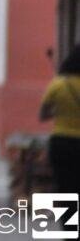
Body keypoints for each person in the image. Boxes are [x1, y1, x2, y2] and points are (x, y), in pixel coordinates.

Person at [39, 44, 80, 196]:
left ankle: (67, 219)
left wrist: (61, 112)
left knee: (63, 185)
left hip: (60, 142)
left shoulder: (58, 84)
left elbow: (42, 115)